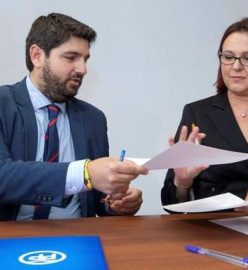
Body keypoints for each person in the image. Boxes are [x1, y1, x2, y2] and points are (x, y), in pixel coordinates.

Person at [0, 13, 148, 221]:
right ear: (37, 56)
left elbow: (98, 200)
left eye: (85, 59)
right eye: (71, 58)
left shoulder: (93, 119)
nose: (83, 69)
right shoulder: (3, 104)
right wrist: (85, 173)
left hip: (77, 235)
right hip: (10, 237)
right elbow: (3, 176)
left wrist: (116, 203)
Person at [161, 17, 248, 215]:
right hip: (217, 233)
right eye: (228, 56)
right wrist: (182, 183)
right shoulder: (197, 113)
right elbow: (171, 204)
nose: (236, 66)